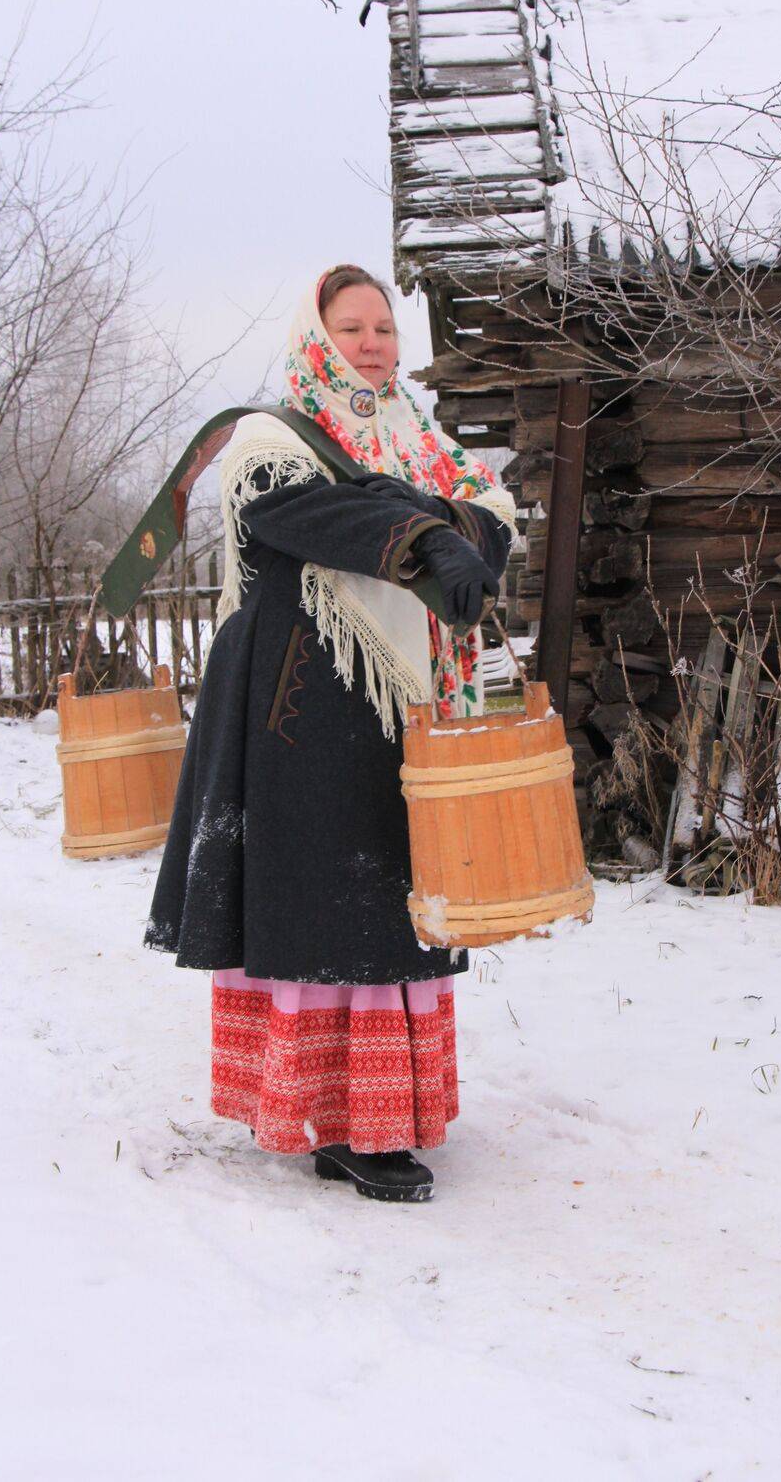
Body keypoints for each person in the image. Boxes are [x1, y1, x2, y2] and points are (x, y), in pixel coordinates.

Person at [146, 265, 516, 1202]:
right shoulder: (272, 437)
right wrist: (429, 533)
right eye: (351, 327)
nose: (371, 344)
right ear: (316, 337)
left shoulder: (418, 433)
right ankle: (344, 1123)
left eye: (383, 328)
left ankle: (387, 1106)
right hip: (303, 701)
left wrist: (447, 525)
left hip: (407, 702)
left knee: (398, 891)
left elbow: (493, 512)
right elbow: (312, 514)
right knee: (332, 898)